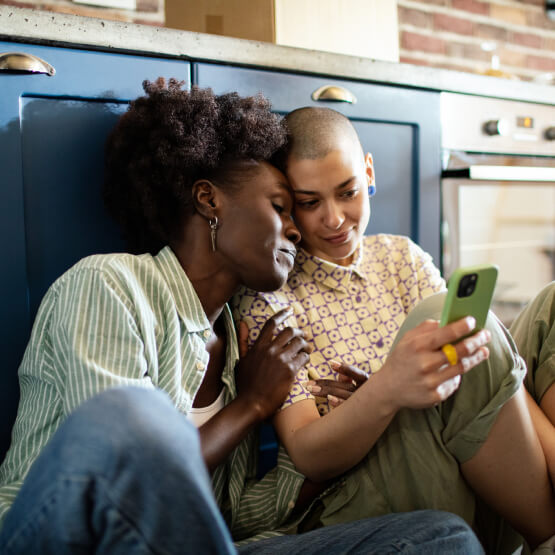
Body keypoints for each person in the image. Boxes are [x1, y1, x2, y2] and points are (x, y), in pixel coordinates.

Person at [0, 80, 484, 554]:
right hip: (62, 536)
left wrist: (355, 416)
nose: (298, 229)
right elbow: (123, 475)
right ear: (209, 200)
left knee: (443, 537)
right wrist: (250, 406)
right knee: (131, 415)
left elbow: (231, 516)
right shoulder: (110, 285)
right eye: (282, 207)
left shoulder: (239, 341)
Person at [233, 106, 555, 554]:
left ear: (368, 173)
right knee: (446, 321)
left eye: (347, 193)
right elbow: (308, 454)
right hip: (356, 497)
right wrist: (385, 391)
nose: (334, 219)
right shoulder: (271, 293)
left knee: (547, 307)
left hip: (473, 467)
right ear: (287, 204)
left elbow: (488, 371)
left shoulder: (401, 257)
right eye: (310, 202)